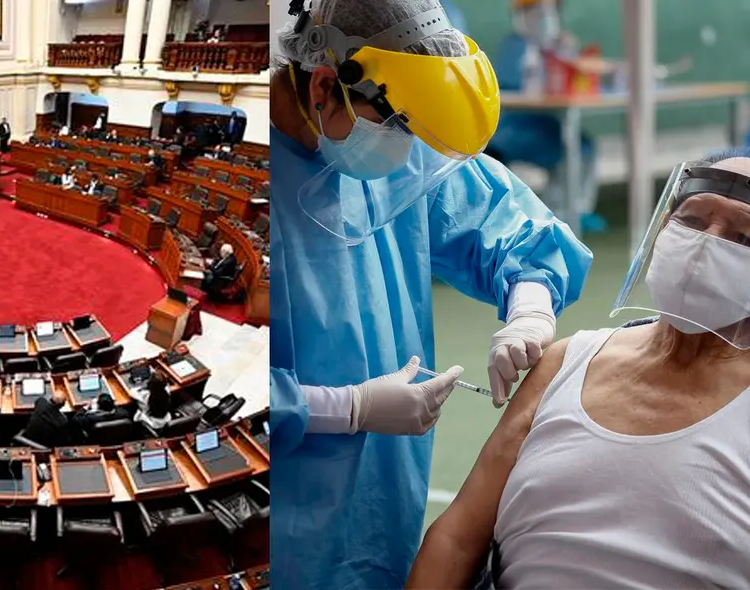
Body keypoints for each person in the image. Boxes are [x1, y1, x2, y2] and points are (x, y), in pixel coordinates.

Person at [269, 1, 592, 588]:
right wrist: (344, 408)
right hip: (285, 527)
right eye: (396, 127)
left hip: (382, 510)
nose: (405, 146)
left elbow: (511, 224)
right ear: (323, 84)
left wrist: (531, 307)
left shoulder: (393, 140)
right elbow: (220, 393)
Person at [409, 152, 750, 589]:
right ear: (664, 227)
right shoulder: (566, 363)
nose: (707, 245)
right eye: (694, 220)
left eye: (742, 237)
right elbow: (456, 539)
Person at [487, 0, 604, 232]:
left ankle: (576, 210)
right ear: (522, 15)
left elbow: (567, 83)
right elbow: (512, 90)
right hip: (512, 126)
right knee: (570, 148)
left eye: (552, 11)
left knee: (585, 146)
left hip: (541, 122)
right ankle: (554, 216)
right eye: (537, 11)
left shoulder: (559, 45)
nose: (545, 17)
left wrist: (566, 55)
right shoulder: (514, 46)